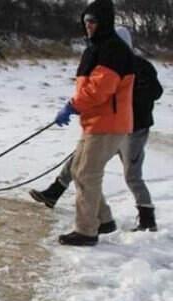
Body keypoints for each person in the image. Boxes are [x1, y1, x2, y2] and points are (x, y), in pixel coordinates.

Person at [30, 25, 162, 234]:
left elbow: (154, 92)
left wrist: (124, 101)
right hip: (107, 125)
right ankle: (55, 193)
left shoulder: (140, 66)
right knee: (80, 162)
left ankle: (147, 218)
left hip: (133, 130)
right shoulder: (104, 64)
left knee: (131, 175)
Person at [40, 0, 135, 246]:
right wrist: (76, 107)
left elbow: (99, 90)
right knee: (78, 170)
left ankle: (86, 231)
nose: (88, 26)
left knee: (87, 174)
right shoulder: (98, 47)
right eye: (86, 22)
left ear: (103, 23)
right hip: (96, 122)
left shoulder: (112, 49)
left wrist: (72, 106)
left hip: (108, 123)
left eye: (92, 22)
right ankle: (104, 221)